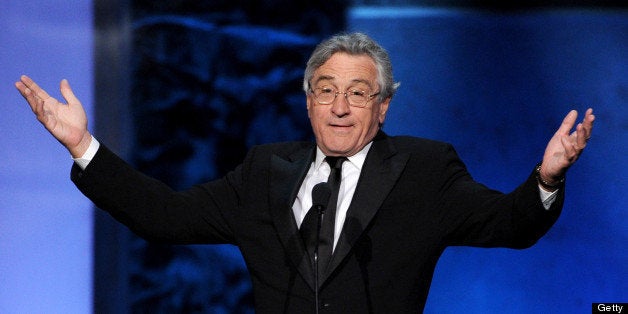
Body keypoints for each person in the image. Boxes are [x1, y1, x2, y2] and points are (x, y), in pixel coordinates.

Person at [16, 32, 594, 313]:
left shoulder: (423, 169)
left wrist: (545, 179)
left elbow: (509, 226)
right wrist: (85, 146)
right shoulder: (266, 171)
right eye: (327, 91)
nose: (341, 107)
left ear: (383, 105)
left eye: (358, 93)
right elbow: (165, 217)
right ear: (308, 100)